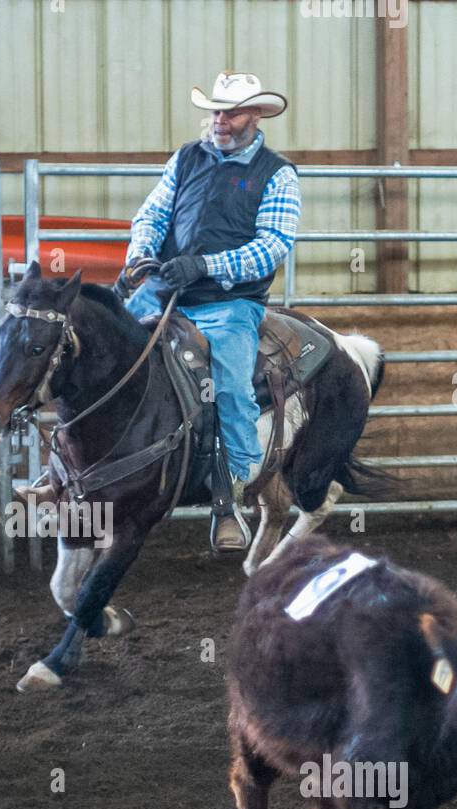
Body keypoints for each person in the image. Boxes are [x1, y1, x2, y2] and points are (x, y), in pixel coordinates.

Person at [119, 70, 301, 551]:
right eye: (216, 111)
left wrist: (203, 264)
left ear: (256, 115)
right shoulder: (186, 158)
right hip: (164, 290)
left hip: (229, 303)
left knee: (231, 388)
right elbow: (153, 214)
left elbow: (272, 246)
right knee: (106, 350)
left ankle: (233, 494)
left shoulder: (277, 173)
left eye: (232, 111)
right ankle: (76, 469)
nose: (221, 120)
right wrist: (140, 254)